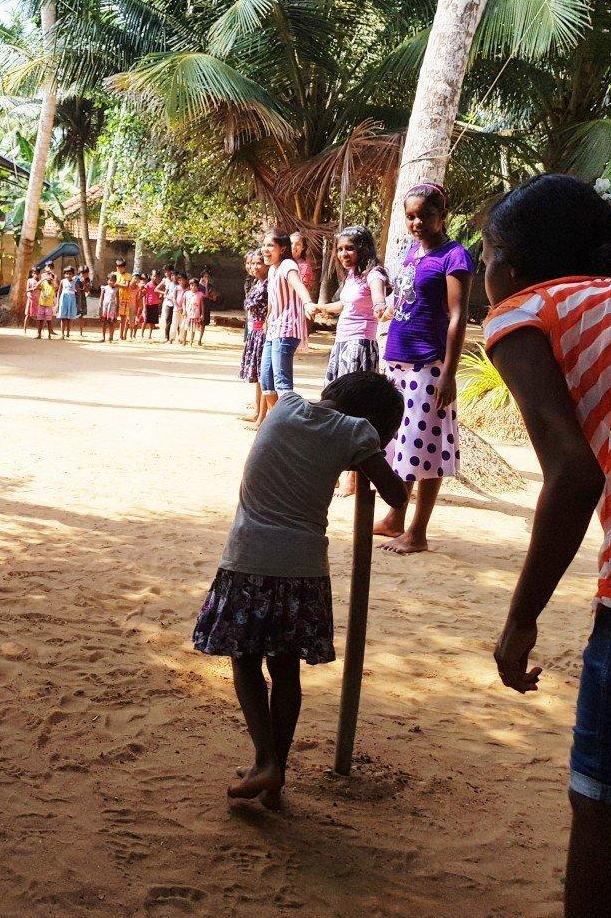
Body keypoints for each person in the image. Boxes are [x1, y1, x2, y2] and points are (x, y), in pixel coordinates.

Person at [480, 174, 611, 918]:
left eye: (484, 250)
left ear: (509, 268)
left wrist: (521, 621)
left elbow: (573, 473)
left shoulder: (524, 310)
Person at [192, 372, 406, 809]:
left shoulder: (284, 405)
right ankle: (275, 768)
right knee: (285, 667)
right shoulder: (356, 432)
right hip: (301, 568)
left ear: (332, 393)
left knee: (246, 660)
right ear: (374, 422)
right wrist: (368, 452)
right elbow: (396, 495)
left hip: (248, 556)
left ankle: (265, 761)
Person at [373, 183, 472, 555]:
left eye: (424, 215)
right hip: (399, 358)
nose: (416, 222)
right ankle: (395, 517)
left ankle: (418, 532)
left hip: (429, 364)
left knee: (426, 447)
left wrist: (448, 370)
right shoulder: (412, 252)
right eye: (410, 216)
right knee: (402, 444)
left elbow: (459, 315)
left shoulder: (455, 256)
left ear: (441, 215)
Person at [310, 225, 388, 496]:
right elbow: (345, 306)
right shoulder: (352, 277)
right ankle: (335, 469)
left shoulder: (374, 274)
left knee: (354, 409)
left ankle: (353, 479)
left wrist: (381, 308)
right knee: (334, 404)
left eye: (349, 248)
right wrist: (321, 308)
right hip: (342, 346)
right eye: (340, 249)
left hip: (360, 347)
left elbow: (378, 300)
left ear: (363, 248)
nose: (343, 254)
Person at [258, 228, 314, 421]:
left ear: (282, 249)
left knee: (282, 382)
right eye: (264, 245)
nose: (265, 249)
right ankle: (276, 423)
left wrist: (307, 303)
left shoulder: (288, 265)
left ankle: (288, 424)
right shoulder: (272, 270)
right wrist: (267, 320)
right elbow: (273, 301)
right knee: (266, 378)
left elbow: (298, 285)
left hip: (287, 328)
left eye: (270, 245)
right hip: (273, 329)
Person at [240, 250, 269, 423]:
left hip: (264, 332)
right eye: (251, 264)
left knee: (264, 376)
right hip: (255, 332)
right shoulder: (256, 284)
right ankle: (258, 411)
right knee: (258, 376)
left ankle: (262, 418)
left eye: (259, 263)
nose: (254, 267)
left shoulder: (269, 284)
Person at [35, 266, 58, 339]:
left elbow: (57, 287)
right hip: (41, 304)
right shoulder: (43, 283)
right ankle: (39, 334)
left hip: (49, 305)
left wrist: (53, 278)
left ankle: (49, 335)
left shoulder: (53, 285)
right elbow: (36, 286)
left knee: (49, 320)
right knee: (40, 320)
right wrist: (43, 279)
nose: (48, 277)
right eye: (47, 275)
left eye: (49, 275)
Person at [57, 265, 79, 338]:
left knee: (69, 318)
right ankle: (62, 334)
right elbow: (59, 292)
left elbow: (78, 292)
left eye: (70, 274)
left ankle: (68, 333)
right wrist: (57, 302)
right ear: (64, 274)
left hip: (71, 301)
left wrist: (78, 303)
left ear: (73, 274)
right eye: (66, 273)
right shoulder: (62, 281)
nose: (68, 275)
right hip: (64, 301)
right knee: (63, 318)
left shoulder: (75, 282)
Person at [160, 264, 180, 342]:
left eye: (175, 276)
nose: (173, 277)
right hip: (169, 304)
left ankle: (178, 337)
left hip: (177, 305)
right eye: (172, 276)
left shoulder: (179, 285)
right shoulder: (169, 284)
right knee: (168, 320)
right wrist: (169, 297)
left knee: (177, 321)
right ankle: (166, 337)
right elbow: (165, 294)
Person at [99, 274, 119, 342]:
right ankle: (103, 337)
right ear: (107, 281)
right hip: (105, 308)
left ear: (115, 281)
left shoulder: (116, 289)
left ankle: (111, 337)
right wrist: (100, 307)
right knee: (104, 323)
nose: (111, 282)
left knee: (111, 323)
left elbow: (117, 300)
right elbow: (101, 298)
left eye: (113, 281)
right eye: (110, 280)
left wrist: (117, 309)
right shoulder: (104, 288)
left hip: (112, 308)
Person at [22, 268, 39, 335]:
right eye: (34, 273)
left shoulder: (39, 281)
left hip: (37, 300)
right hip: (31, 299)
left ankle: (38, 331)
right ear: (32, 273)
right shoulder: (29, 280)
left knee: (38, 316)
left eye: (37, 273)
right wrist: (33, 288)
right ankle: (24, 331)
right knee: (28, 315)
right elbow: (27, 289)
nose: (35, 274)